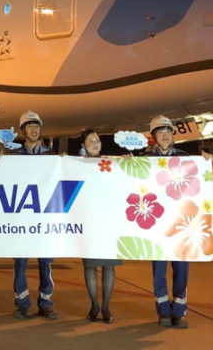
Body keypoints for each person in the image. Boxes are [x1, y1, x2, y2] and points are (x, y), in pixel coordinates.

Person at [144, 115, 191, 329]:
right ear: (153, 136)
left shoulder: (186, 159)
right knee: (159, 271)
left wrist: (206, 163)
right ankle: (163, 310)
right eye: (160, 132)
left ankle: (179, 312)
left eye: (168, 132)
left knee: (182, 270)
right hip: (157, 226)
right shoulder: (144, 159)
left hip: (180, 224)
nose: (165, 136)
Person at [10, 110, 58, 320]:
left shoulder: (52, 156)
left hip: (45, 219)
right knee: (20, 263)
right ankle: (22, 303)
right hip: (22, 218)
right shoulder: (14, 156)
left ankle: (45, 302)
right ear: (22, 131)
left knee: (45, 264)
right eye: (29, 126)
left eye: (36, 125)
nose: (33, 129)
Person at [78, 128, 122, 324]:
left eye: (97, 140)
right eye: (90, 141)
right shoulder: (77, 165)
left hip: (109, 222)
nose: (95, 143)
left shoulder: (112, 163)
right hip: (88, 222)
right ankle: (94, 304)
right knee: (90, 265)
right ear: (83, 146)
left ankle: (106, 306)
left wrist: (130, 162)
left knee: (109, 266)